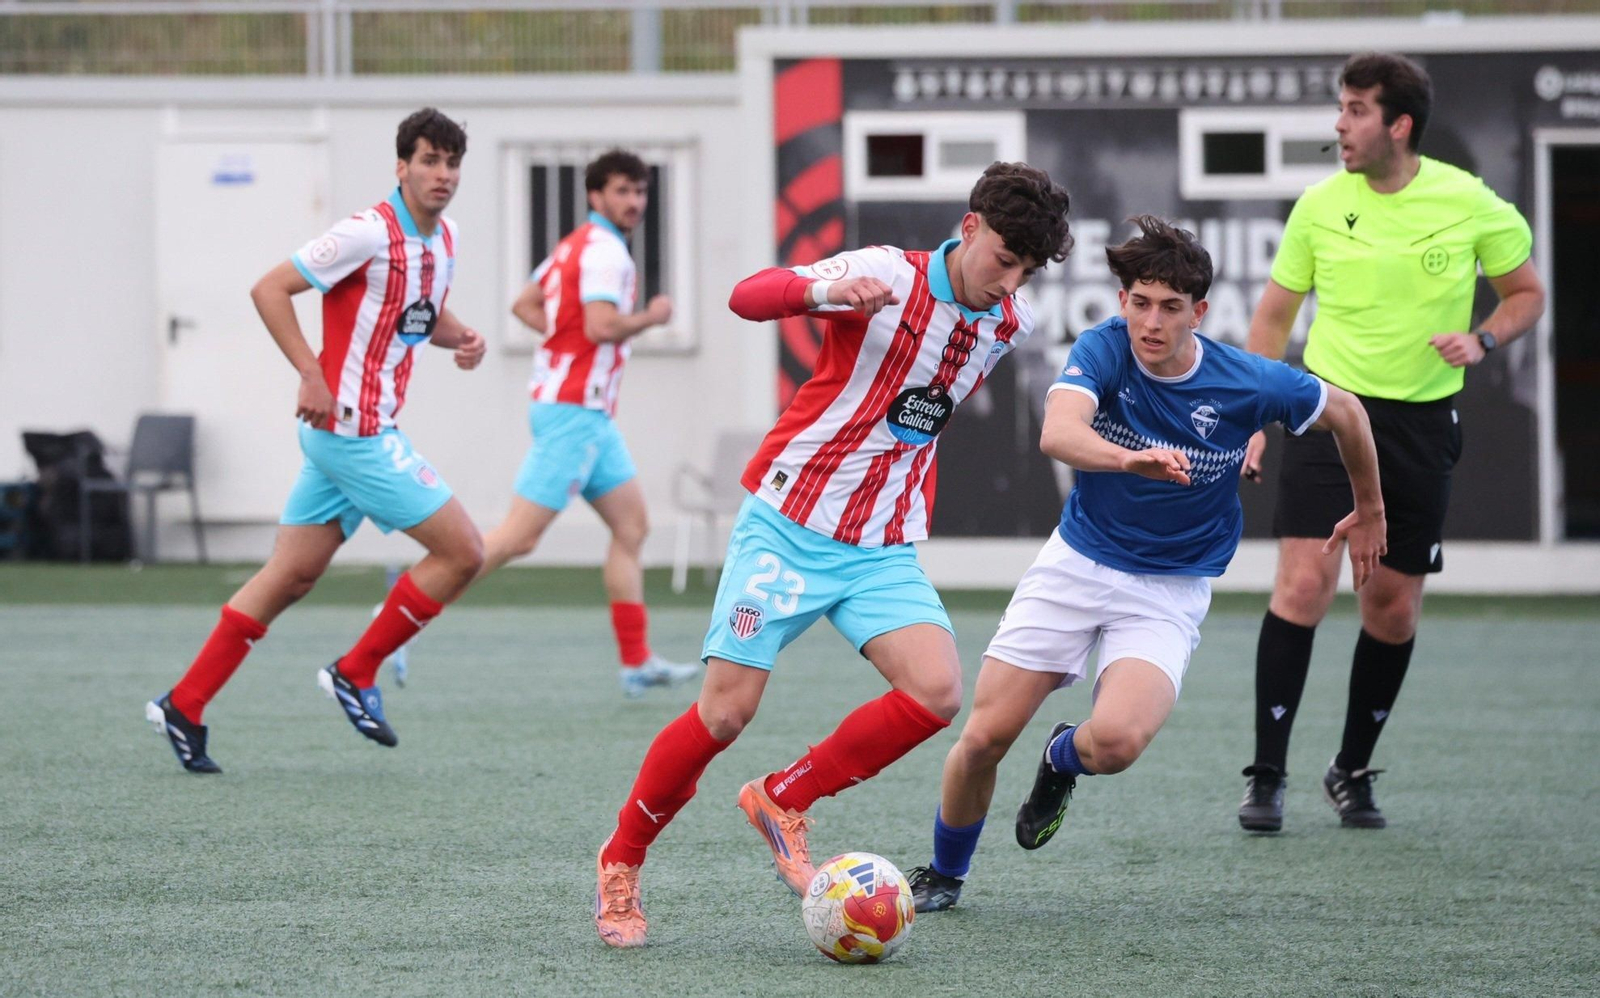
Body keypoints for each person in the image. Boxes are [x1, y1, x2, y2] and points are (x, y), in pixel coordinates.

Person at [591, 162, 1073, 948]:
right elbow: (748, 295)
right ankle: (622, 862)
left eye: (1027, 270)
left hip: (878, 545)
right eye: (1004, 259)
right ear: (971, 225)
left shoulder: (1003, 324)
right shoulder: (883, 272)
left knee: (938, 689)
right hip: (788, 523)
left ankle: (784, 797)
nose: (1009, 281)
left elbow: (915, 418)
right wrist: (823, 293)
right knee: (724, 713)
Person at [905, 216, 1386, 913]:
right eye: (1138, 302)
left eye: (1168, 307)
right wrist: (1128, 457)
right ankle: (947, 875)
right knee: (981, 738)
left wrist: (1370, 508)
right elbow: (1057, 431)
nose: (1150, 322)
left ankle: (1060, 757)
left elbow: (1347, 412)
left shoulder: (1248, 381)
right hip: (1076, 564)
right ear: (1122, 300)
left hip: (1167, 588)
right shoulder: (1104, 350)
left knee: (1119, 743)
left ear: (1200, 311)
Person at [1236, 52, 1545, 832]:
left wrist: (1484, 339)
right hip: (1325, 409)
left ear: (1398, 124)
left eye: (1355, 110)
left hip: (1419, 425)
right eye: (1339, 108)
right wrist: (1250, 414)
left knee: (1392, 608)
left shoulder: (1470, 201)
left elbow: (1526, 293)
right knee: (1304, 583)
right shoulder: (1317, 205)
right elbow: (1273, 320)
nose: (1340, 125)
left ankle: (1350, 769)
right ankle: (1266, 774)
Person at [145, 108, 487, 773]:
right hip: (354, 433)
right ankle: (356, 671)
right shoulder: (366, 232)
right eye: (429, 161)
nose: (442, 175)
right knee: (464, 552)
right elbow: (270, 288)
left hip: (358, 434)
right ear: (401, 166)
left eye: (452, 163)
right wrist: (310, 370)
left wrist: (463, 338)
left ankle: (184, 704)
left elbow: (419, 310)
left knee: (291, 575)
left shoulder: (444, 238)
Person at [474, 149, 696, 698]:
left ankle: (637, 661)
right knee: (518, 539)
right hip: (574, 412)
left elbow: (525, 304)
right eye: (622, 191)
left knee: (631, 528)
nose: (634, 202)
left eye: (640, 192)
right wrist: (652, 317)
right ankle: (403, 608)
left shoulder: (575, 245)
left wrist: (561, 337)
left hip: (589, 415)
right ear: (596, 195)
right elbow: (600, 327)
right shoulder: (604, 253)